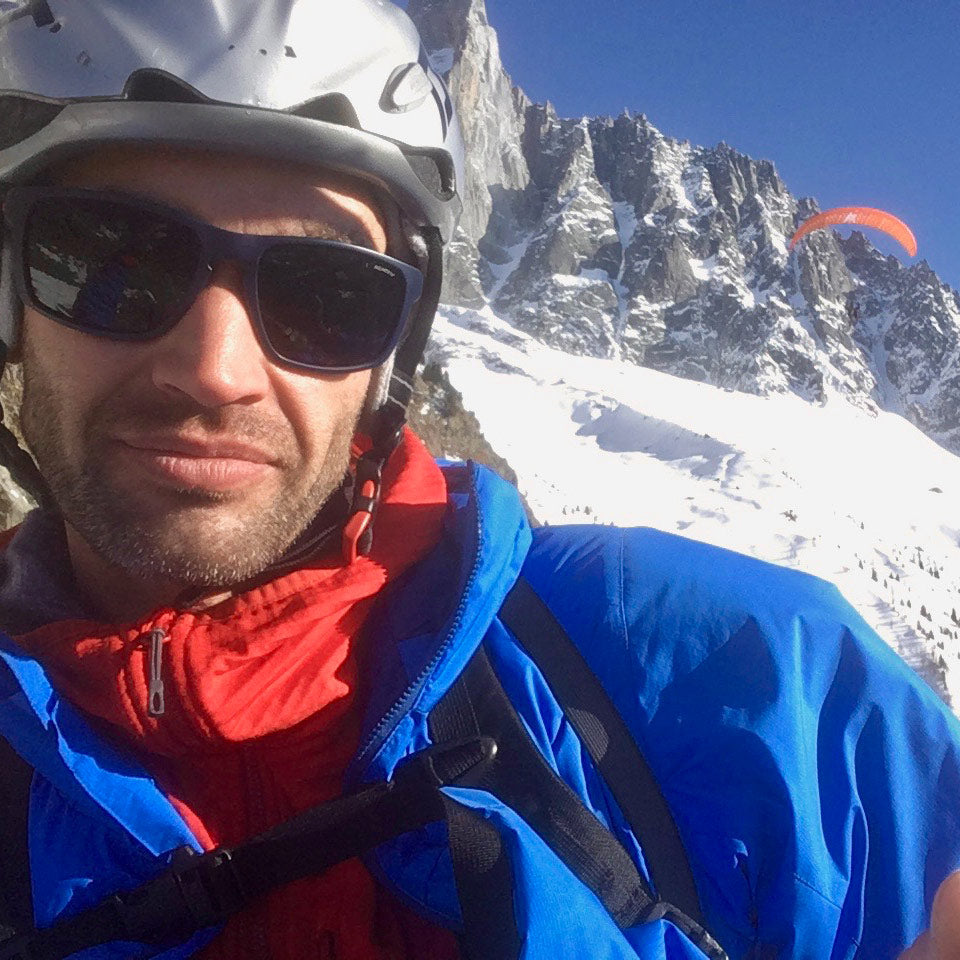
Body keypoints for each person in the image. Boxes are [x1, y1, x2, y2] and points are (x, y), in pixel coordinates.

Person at [0, 3, 956, 959]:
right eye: (109, 262)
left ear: (394, 357)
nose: (215, 370)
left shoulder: (766, 685)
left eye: (327, 295)